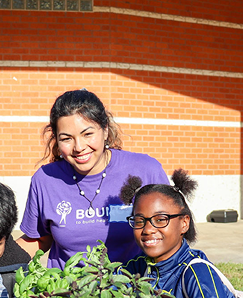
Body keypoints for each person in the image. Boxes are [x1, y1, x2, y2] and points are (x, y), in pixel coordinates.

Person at [17, 89, 170, 268]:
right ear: (56, 141)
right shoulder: (45, 180)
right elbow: (39, 240)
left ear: (105, 130)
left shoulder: (146, 170)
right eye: (66, 138)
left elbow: (171, 232)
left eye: (87, 134)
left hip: (134, 289)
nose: (79, 147)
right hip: (67, 291)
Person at [121, 170, 243, 298]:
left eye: (160, 219)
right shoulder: (135, 268)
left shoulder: (197, 272)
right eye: (140, 221)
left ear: (184, 223)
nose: (148, 229)